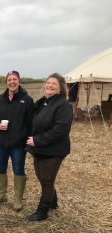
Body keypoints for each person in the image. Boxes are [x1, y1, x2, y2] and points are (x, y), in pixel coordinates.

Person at [26, 72, 73, 221]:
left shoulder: (63, 105)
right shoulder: (43, 102)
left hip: (54, 148)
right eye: (48, 83)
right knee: (42, 177)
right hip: (39, 147)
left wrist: (37, 140)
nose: (50, 85)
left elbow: (60, 130)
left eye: (54, 84)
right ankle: (53, 201)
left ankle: (42, 211)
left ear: (60, 89)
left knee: (46, 179)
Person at [0, 71, 34, 211]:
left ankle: (18, 199)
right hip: (0, 142)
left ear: (19, 81)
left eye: (14, 79)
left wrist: (27, 138)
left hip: (18, 144)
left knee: (18, 170)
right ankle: (1, 195)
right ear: (6, 82)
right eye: (9, 80)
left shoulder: (27, 100)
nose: (12, 82)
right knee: (0, 168)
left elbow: (31, 122)